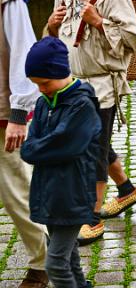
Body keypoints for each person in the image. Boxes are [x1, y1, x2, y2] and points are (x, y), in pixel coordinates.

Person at [47, 0, 136, 245]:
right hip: (70, 86)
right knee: (91, 143)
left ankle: (92, 217)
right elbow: (55, 41)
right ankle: (127, 189)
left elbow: (134, 40)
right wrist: (50, 27)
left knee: (92, 150)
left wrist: (99, 22)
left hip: (102, 86)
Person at [21, 37, 101, 288]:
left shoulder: (82, 105)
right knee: (70, 258)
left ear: (60, 72)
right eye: (36, 85)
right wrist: (36, 146)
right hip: (50, 194)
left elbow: (64, 144)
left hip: (72, 195)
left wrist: (35, 147)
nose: (41, 89)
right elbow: (32, 143)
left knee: (55, 263)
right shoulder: (44, 103)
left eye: (45, 83)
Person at [0, 0, 48, 288]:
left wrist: (18, 114)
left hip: (2, 114)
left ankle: (43, 263)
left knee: (16, 192)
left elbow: (23, 55)